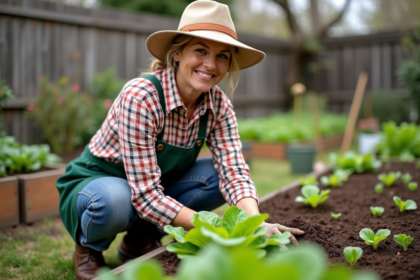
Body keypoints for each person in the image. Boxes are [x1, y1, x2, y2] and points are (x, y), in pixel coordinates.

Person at [56, 1, 305, 279]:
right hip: (99, 182)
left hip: (154, 185)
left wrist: (255, 223)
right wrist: (215, 228)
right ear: (177, 53)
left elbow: (234, 172)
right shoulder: (142, 96)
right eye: (200, 50)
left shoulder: (219, 105)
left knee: (214, 177)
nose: (211, 64)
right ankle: (88, 250)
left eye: (222, 56)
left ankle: (137, 241)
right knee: (115, 199)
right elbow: (145, 195)